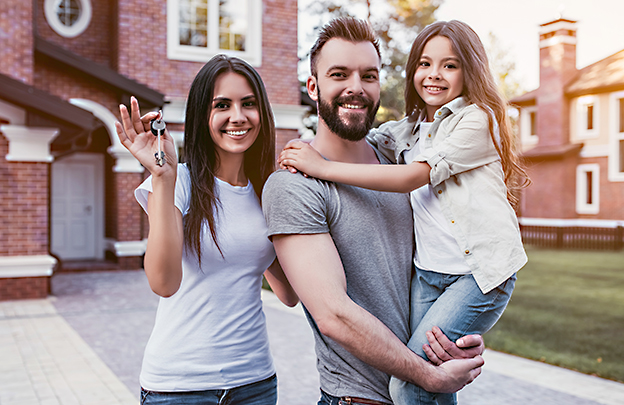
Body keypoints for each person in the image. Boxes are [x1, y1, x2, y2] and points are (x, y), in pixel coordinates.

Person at [278, 20, 529, 405]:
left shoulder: (474, 120)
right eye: (425, 64)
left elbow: (411, 176)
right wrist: (308, 155)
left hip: (476, 272)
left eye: (450, 65)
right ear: (313, 86)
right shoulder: (409, 133)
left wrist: (322, 166)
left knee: (417, 383)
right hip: (361, 386)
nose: (435, 75)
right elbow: (332, 314)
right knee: (427, 379)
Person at [115, 55, 298, 405]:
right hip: (179, 386)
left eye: (249, 104)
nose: (238, 117)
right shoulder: (176, 181)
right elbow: (163, 283)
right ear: (202, 115)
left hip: (255, 383)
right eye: (222, 105)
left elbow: (289, 294)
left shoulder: (268, 191)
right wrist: (162, 177)